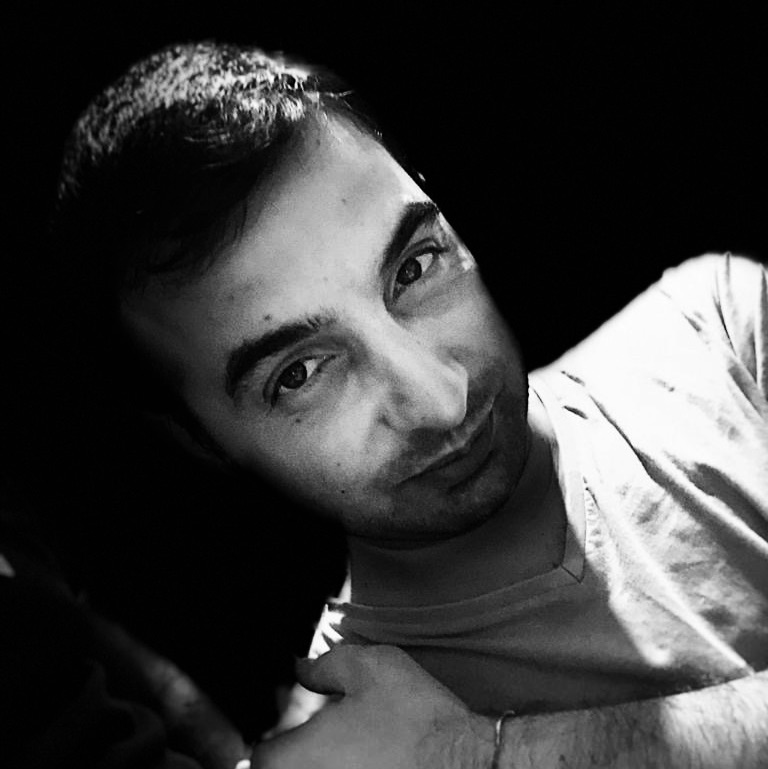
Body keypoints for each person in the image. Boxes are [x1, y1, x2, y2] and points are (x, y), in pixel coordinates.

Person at [50, 40, 768, 768]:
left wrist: (483, 754)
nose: (441, 400)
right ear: (201, 440)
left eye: (414, 268)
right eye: (300, 374)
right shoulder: (348, 749)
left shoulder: (721, 327)